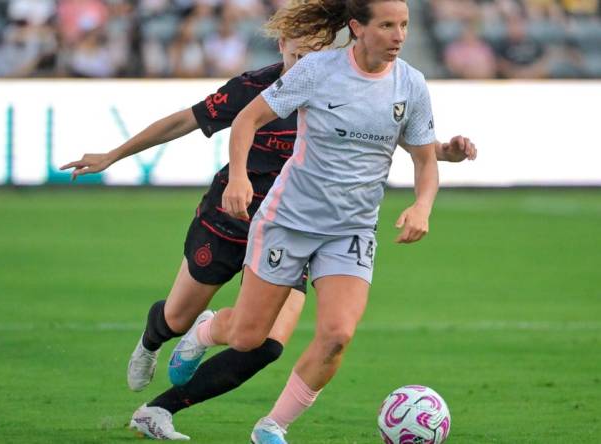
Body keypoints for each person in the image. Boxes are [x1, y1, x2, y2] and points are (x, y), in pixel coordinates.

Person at [59, 2, 475, 439]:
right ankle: (185, 332)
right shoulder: (286, 80)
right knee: (217, 328)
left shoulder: (407, 84)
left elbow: (413, 146)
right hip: (246, 217)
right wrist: (114, 156)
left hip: (344, 229)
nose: (400, 34)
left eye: (405, 25)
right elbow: (203, 119)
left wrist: (428, 191)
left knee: (299, 341)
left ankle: (262, 424)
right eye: (388, 25)